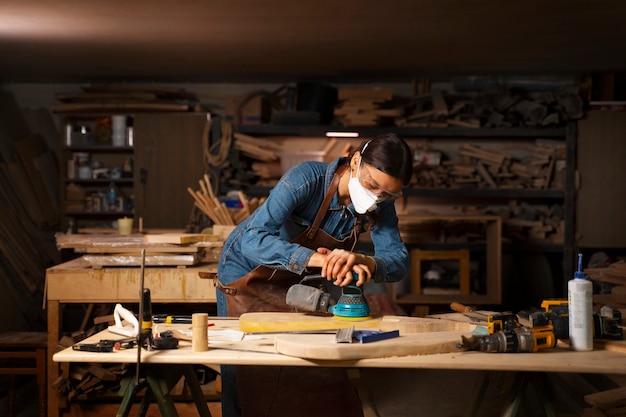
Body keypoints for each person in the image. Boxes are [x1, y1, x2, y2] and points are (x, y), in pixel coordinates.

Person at [216, 132, 414, 417]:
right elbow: (253, 238)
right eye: (372, 185)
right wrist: (321, 261)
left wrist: (362, 261)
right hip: (246, 270)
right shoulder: (306, 179)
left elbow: (398, 261)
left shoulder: (380, 201)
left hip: (294, 277)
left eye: (388, 193)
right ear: (356, 160)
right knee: (243, 367)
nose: (376, 198)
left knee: (300, 366)